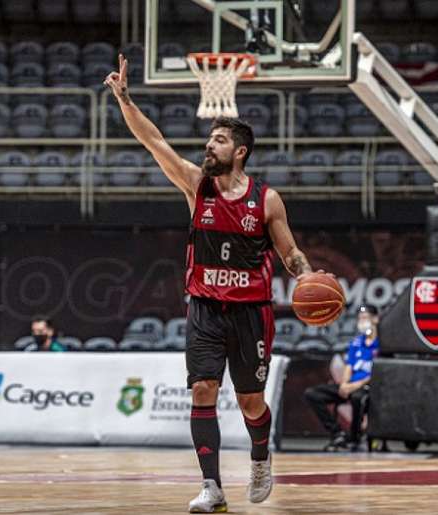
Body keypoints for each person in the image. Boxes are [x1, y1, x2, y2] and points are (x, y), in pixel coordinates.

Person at [105, 54, 330, 513]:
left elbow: (289, 253)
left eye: (220, 140)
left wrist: (305, 275)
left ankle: (261, 457)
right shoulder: (195, 186)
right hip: (205, 308)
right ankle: (212, 487)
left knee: (250, 403)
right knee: (203, 390)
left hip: (251, 313)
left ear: (240, 151)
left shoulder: (266, 200)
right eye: (210, 139)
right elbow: (154, 141)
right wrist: (125, 99)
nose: (210, 146)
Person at [304, 305, 380, 452]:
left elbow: (379, 372)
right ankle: (337, 433)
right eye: (360, 319)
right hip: (350, 385)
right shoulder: (356, 343)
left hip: (368, 387)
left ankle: (355, 437)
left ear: (375, 319)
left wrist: (355, 385)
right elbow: (348, 366)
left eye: (365, 318)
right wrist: (344, 384)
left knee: (358, 398)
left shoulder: (383, 344)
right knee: (312, 394)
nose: (362, 322)